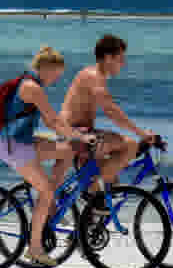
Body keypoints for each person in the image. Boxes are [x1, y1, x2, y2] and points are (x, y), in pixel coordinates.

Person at [0, 45, 93, 267]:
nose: (57, 80)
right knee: (46, 192)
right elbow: (54, 122)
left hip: (22, 141)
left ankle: (51, 203)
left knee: (69, 150)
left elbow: (52, 122)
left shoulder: (31, 84)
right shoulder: (32, 88)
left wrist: (75, 137)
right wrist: (81, 137)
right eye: (56, 75)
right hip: (15, 147)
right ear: (46, 68)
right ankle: (35, 248)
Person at [60, 33, 160, 195]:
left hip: (80, 133)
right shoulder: (94, 76)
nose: (123, 64)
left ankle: (91, 207)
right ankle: (92, 192)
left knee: (112, 181)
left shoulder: (95, 75)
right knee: (130, 146)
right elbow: (111, 111)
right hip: (76, 135)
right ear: (108, 58)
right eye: (120, 59)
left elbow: (111, 111)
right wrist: (141, 133)